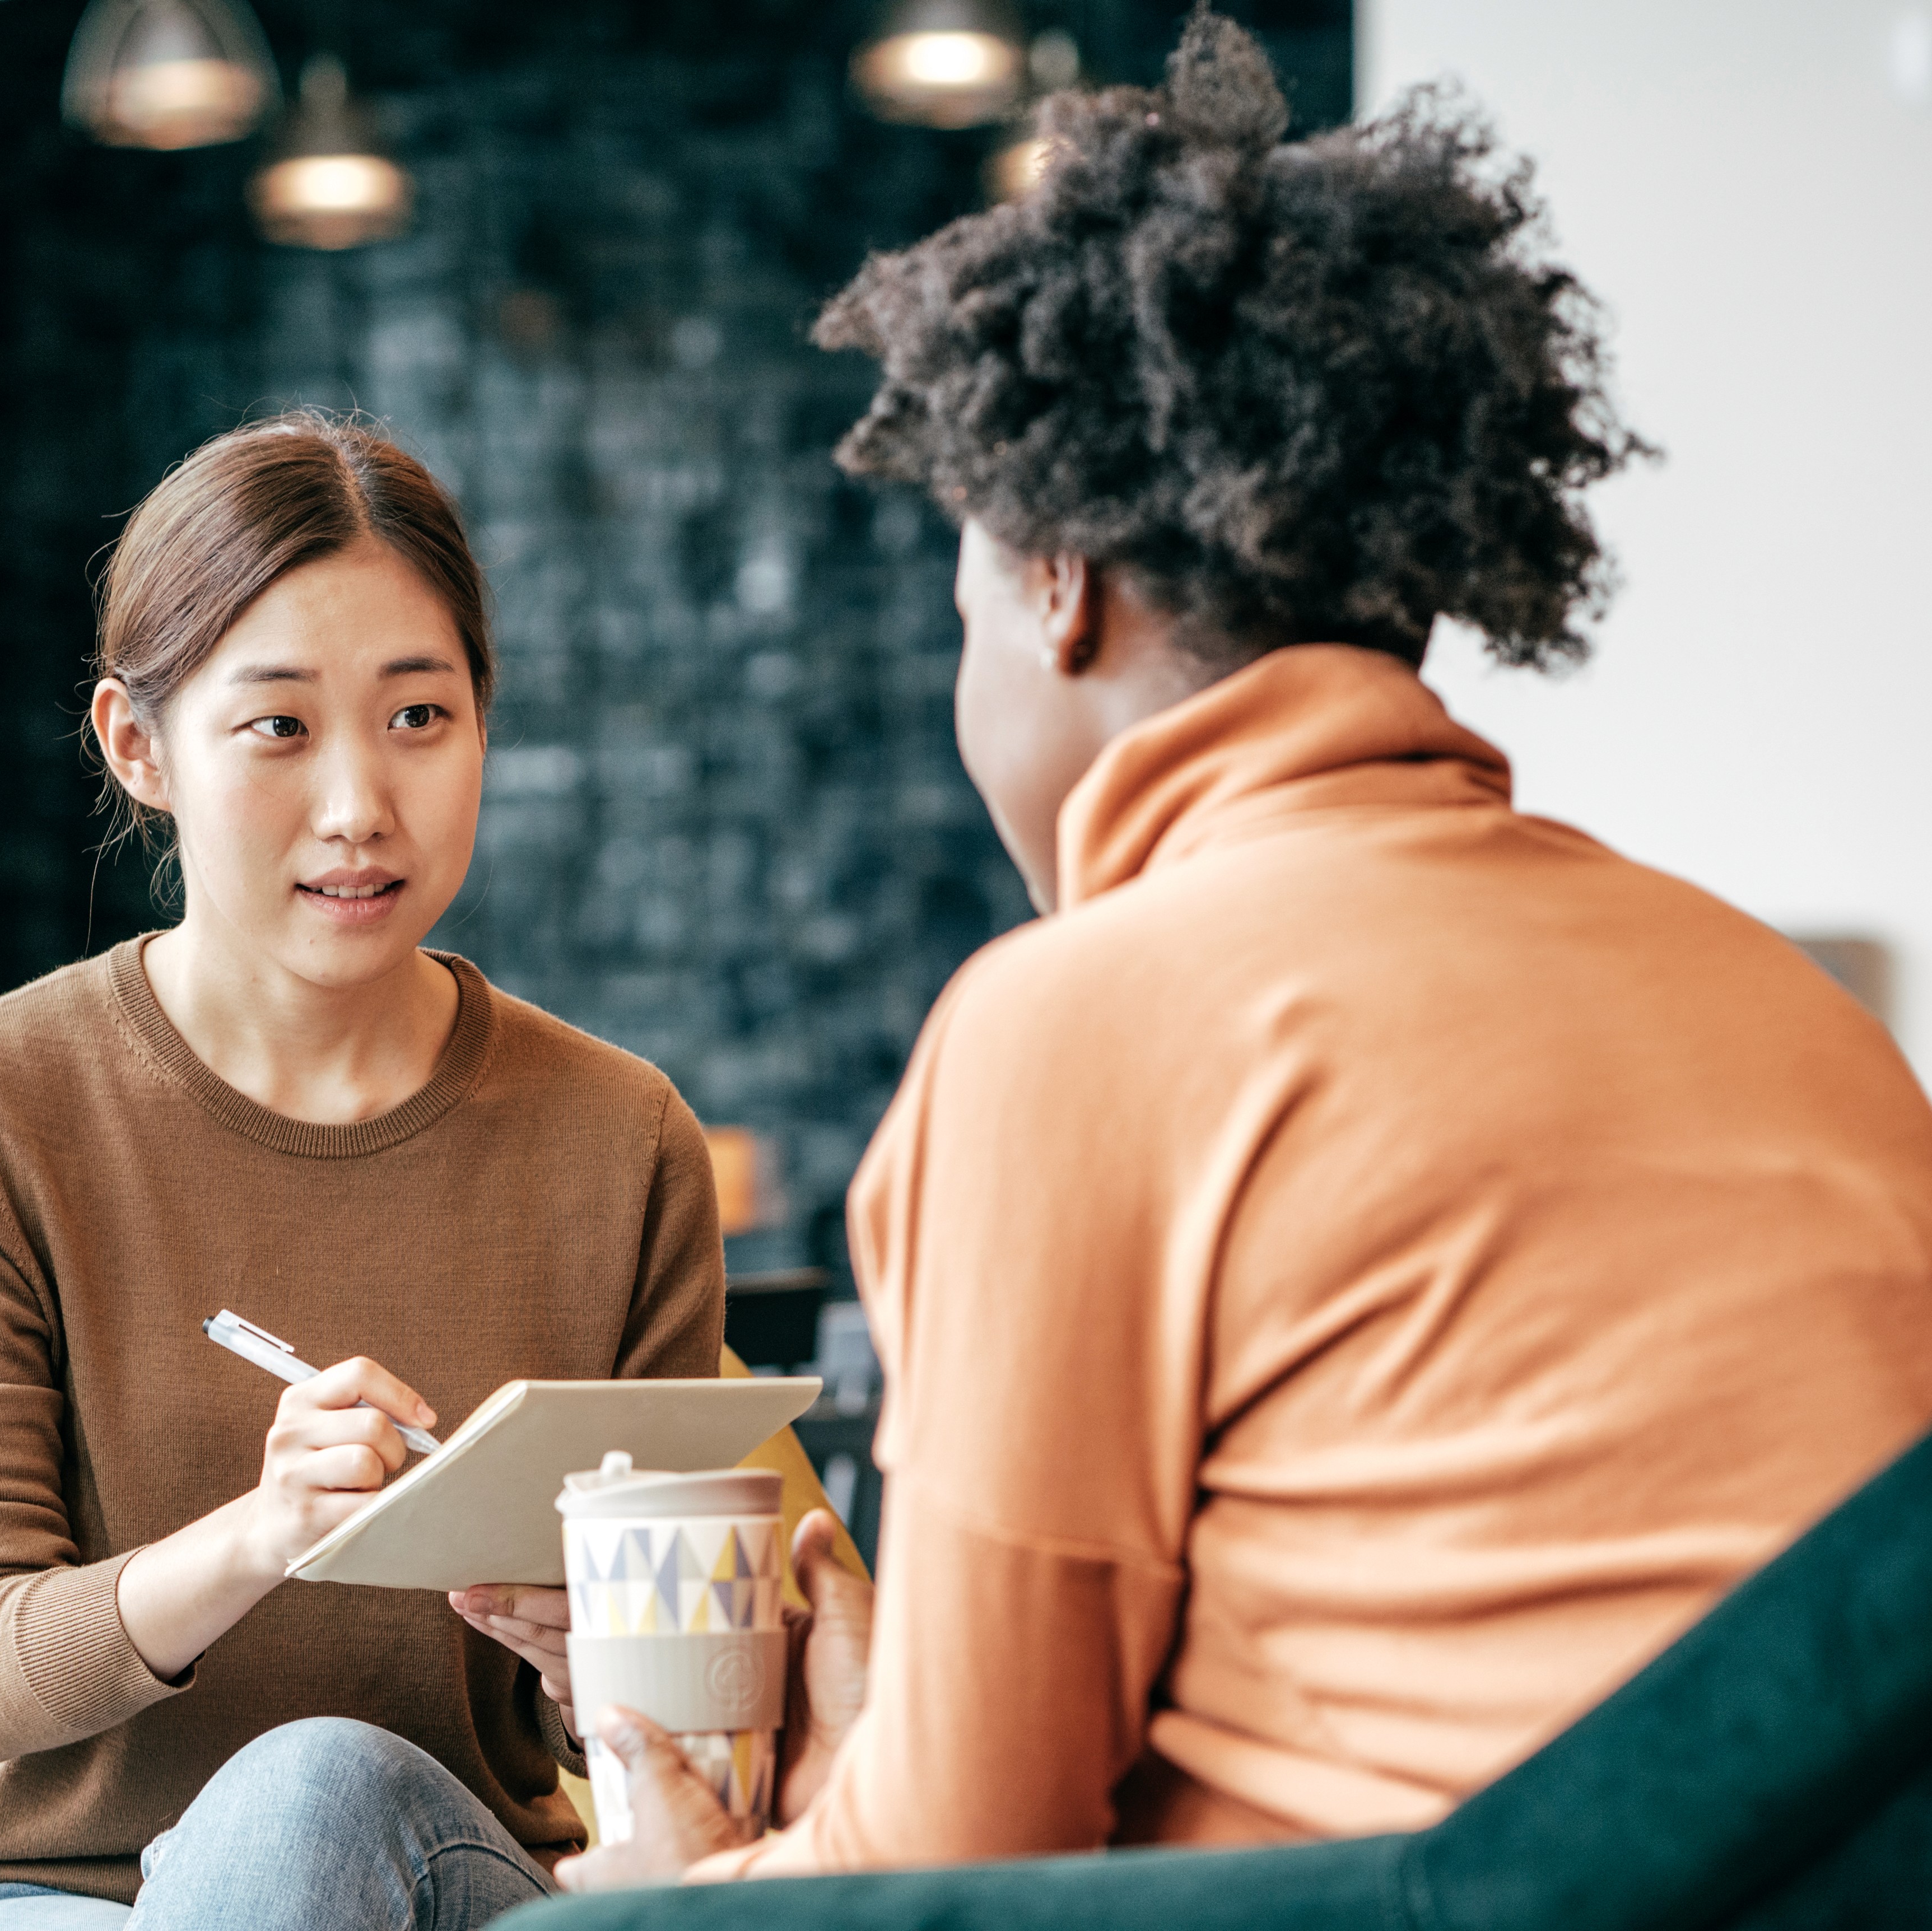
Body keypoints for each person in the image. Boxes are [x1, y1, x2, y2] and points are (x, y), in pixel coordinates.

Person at [558, 14, 1932, 1891]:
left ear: (1055, 585)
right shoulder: (1792, 1009)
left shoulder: (1077, 1020)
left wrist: (675, 1888)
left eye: (967, 605)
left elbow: (965, 1861)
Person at [0, 412, 725, 1931]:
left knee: (323, 1799)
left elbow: (678, 1736)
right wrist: (268, 1536)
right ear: (138, 745)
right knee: (294, 1806)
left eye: (419, 719)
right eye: (281, 727)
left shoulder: (623, 1137)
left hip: (437, 1874)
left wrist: (613, 1664)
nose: (359, 805)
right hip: (29, 1897)